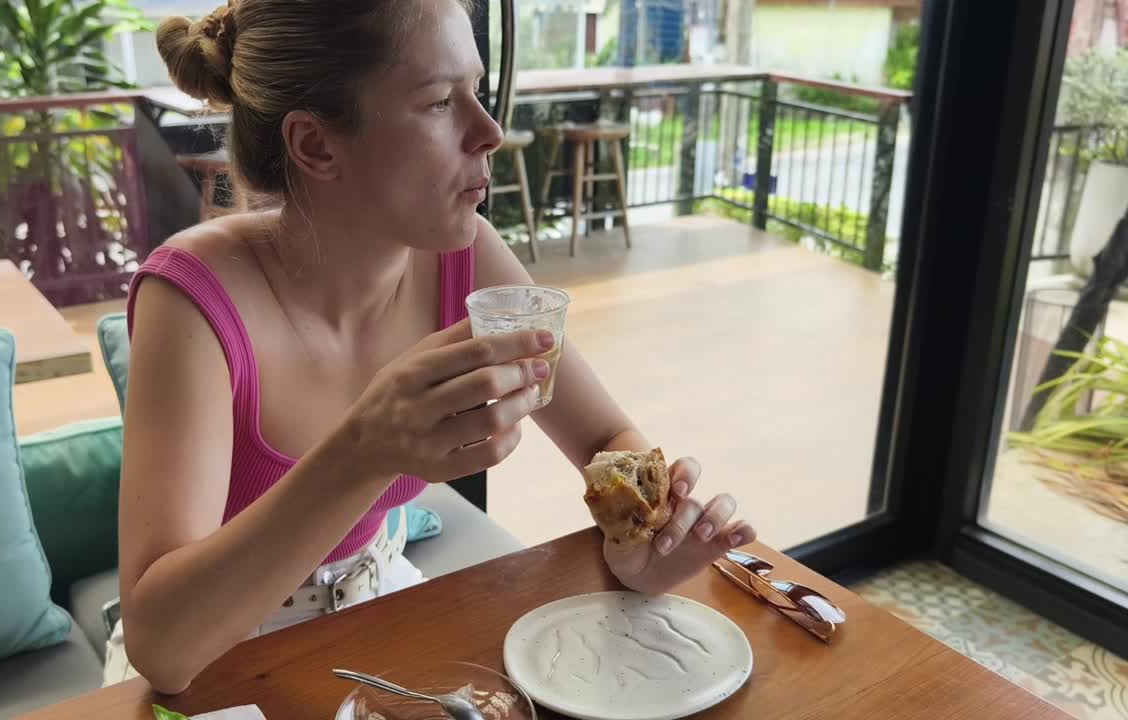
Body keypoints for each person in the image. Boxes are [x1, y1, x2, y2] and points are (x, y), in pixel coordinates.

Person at [109, 0, 756, 693]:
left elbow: (604, 437)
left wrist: (643, 543)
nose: (491, 132)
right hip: (219, 664)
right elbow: (164, 648)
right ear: (315, 144)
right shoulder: (195, 301)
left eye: (475, 91)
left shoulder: (467, 256)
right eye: (440, 102)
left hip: (379, 613)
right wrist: (364, 449)